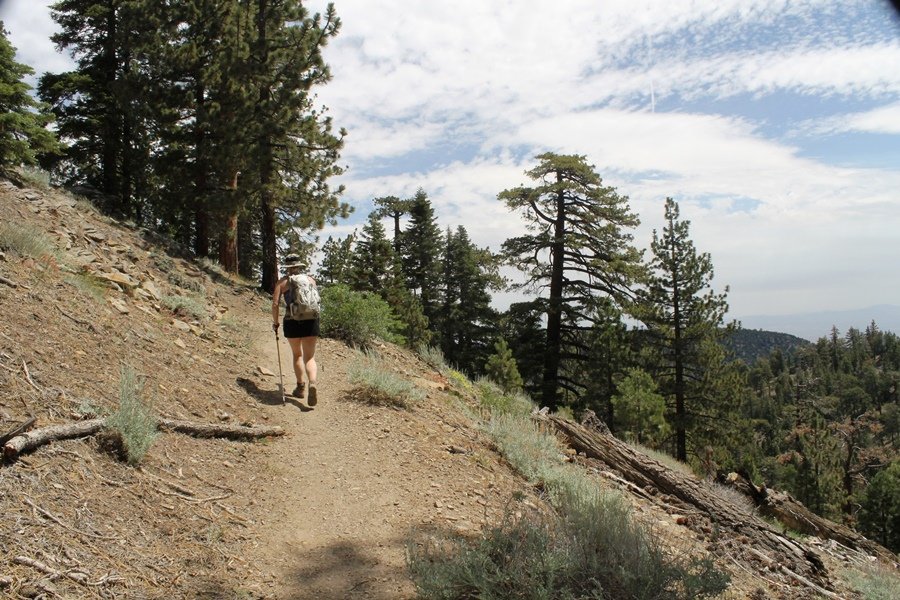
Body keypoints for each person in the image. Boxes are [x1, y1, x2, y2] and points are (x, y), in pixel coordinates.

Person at [271, 254, 319, 406]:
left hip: (292, 321)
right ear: (299, 266)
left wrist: (276, 323)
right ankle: (312, 382)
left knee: (297, 354)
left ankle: (300, 387)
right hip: (311, 321)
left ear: (288, 267)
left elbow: (275, 304)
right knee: (310, 357)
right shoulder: (311, 280)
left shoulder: (282, 282)